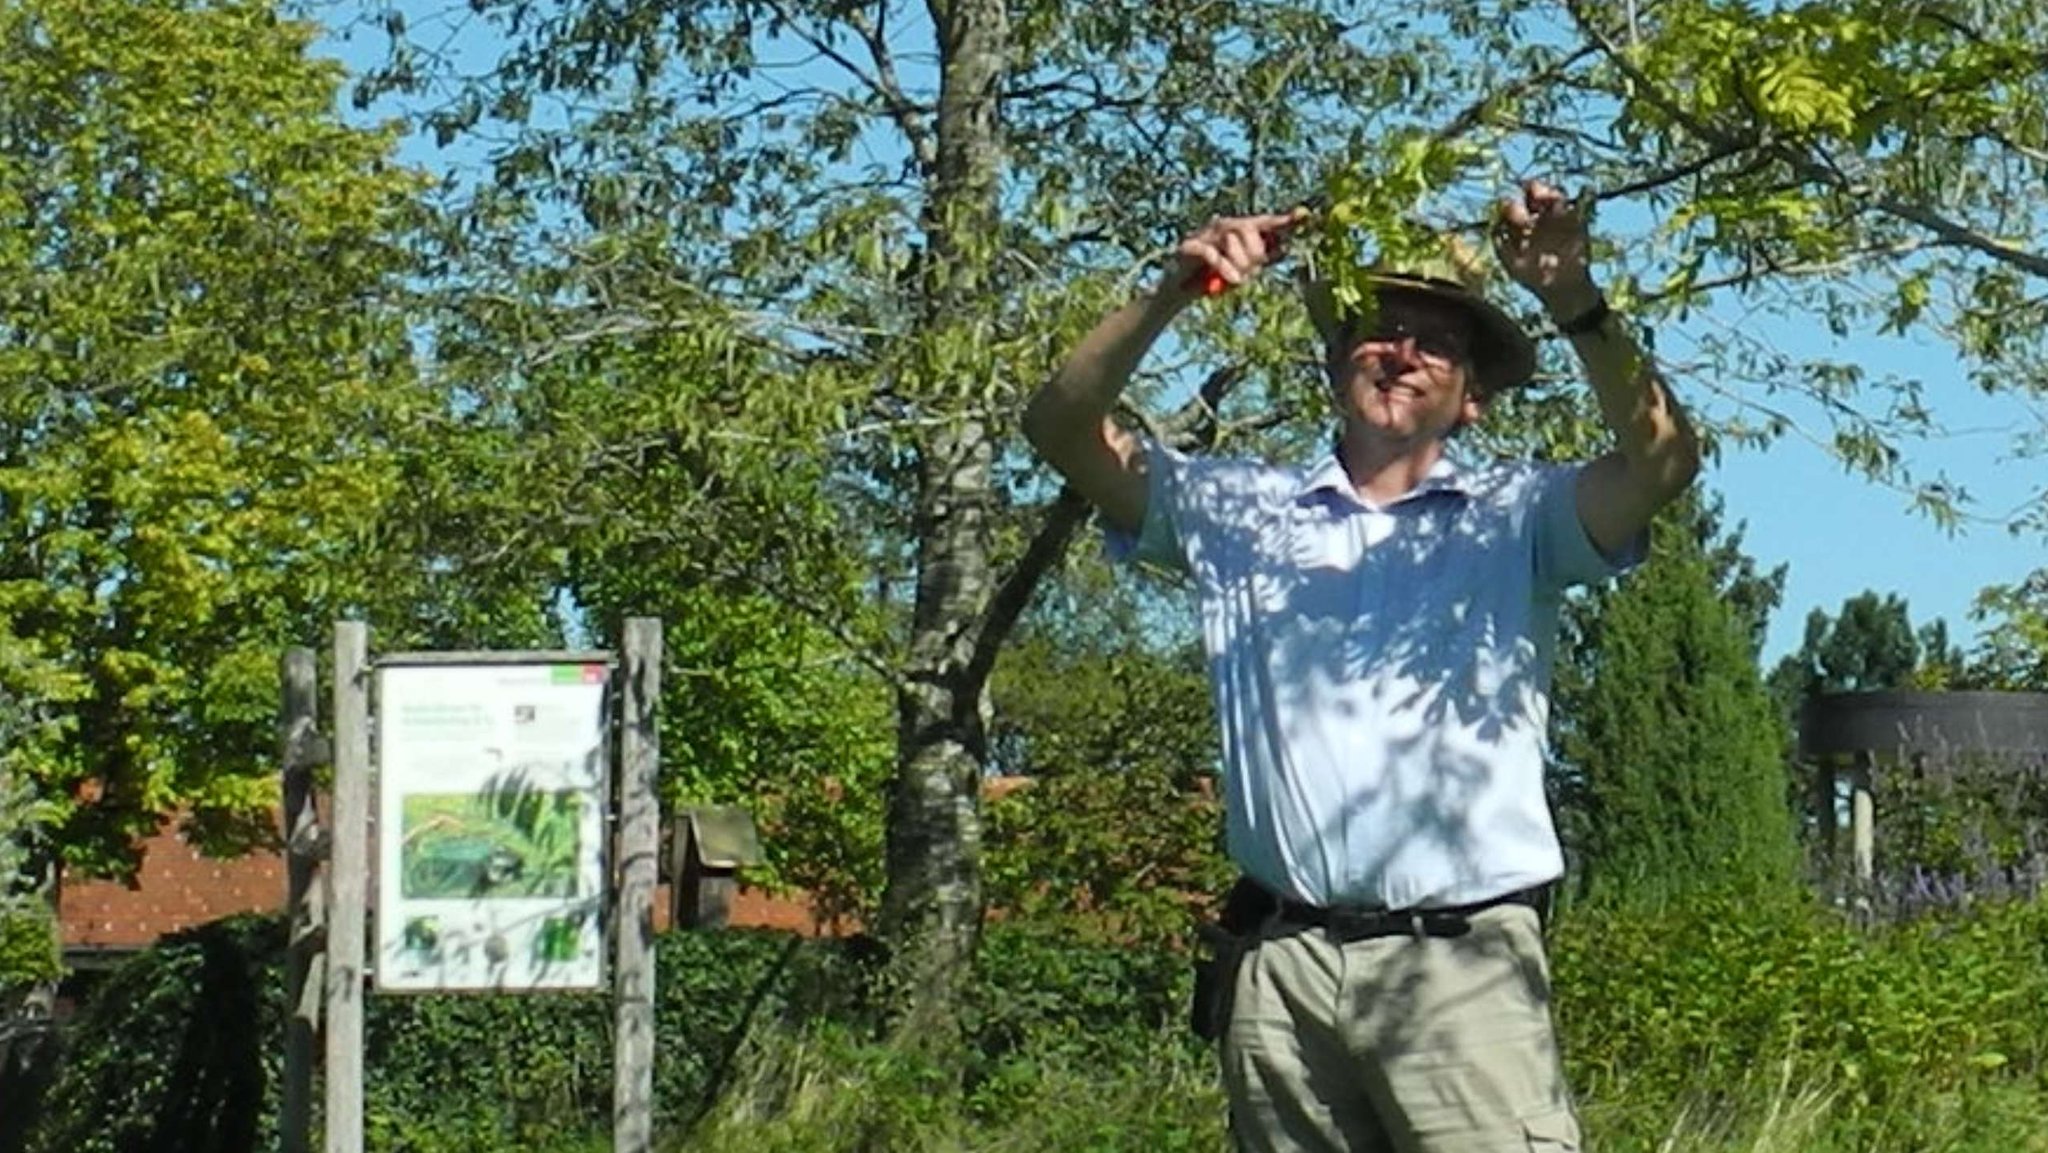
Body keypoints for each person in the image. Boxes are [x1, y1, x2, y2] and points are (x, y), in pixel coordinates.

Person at [1021, 180, 1701, 1153]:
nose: (1400, 352)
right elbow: (1057, 426)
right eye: (1375, 331)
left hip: (1459, 969)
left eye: (1433, 342)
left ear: (1470, 400)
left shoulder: (1520, 517)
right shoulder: (1236, 513)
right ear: (1334, 363)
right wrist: (1176, 287)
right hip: (1281, 964)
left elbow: (1662, 463)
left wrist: (1571, 297)